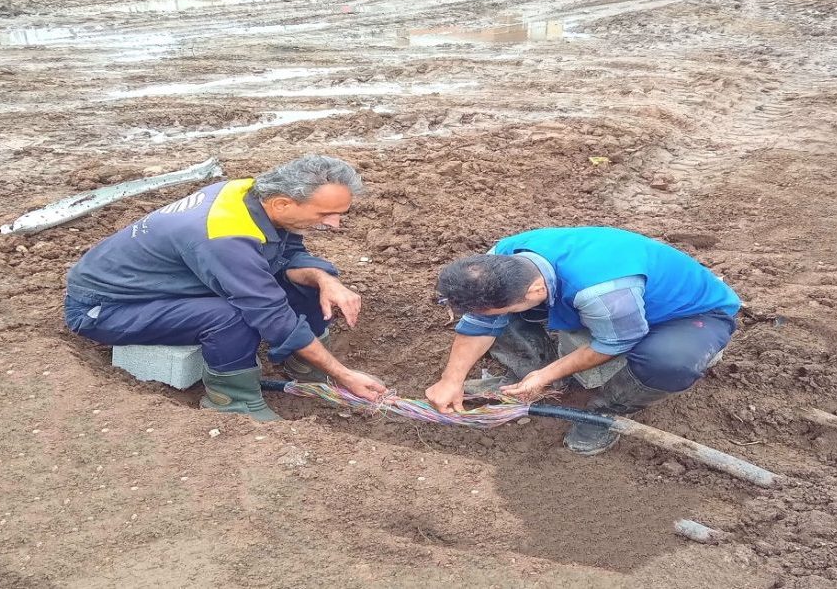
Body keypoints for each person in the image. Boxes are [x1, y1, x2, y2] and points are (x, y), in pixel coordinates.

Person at [64, 155, 387, 421]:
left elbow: (287, 254)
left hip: (169, 285)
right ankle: (233, 401)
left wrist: (325, 279)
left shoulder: (252, 194)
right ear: (283, 203)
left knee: (309, 280)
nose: (334, 224)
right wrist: (344, 374)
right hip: (107, 309)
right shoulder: (223, 237)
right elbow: (270, 314)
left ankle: (302, 364)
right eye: (325, 214)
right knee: (231, 315)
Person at [425, 226, 741, 455]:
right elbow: (480, 319)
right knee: (497, 316)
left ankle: (604, 410)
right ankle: (534, 375)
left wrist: (548, 374)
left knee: (669, 362)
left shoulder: (602, 292)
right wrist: (451, 380)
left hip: (684, 316)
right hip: (603, 304)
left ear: (535, 291)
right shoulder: (499, 261)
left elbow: (614, 342)